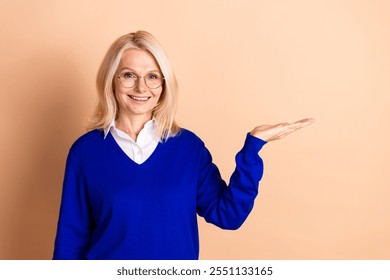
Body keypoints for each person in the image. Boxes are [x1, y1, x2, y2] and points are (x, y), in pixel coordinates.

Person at [53, 30, 314, 260]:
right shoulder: (86, 152)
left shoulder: (189, 149)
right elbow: (71, 238)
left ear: (164, 85)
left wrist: (253, 147)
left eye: (152, 76)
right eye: (129, 75)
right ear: (112, 80)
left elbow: (228, 215)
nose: (141, 86)